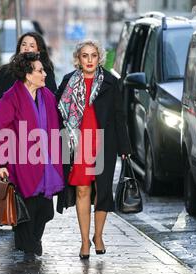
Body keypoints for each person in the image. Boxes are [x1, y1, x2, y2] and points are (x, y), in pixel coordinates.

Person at [56, 40, 132, 259]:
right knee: (82, 190)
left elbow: (120, 116)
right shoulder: (68, 81)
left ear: (100, 58)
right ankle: (84, 241)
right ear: (78, 59)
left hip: (103, 143)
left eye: (93, 56)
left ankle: (98, 236)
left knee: (102, 191)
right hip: (77, 144)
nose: (89, 60)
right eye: (84, 56)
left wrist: (124, 146)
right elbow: (58, 115)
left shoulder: (110, 81)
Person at [0, 52, 64, 259]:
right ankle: (30, 245)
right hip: (22, 162)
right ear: (27, 74)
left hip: (47, 163)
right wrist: (1, 163)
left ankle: (31, 242)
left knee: (45, 210)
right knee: (27, 206)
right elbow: (2, 132)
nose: (44, 74)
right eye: (40, 71)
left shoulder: (48, 96)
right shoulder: (10, 98)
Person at [0, 32, 57, 143]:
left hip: (38, 127)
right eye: (23, 44)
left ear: (38, 51)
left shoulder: (45, 72)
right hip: (11, 126)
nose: (27, 48)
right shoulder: (6, 71)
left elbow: (52, 101)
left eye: (32, 45)